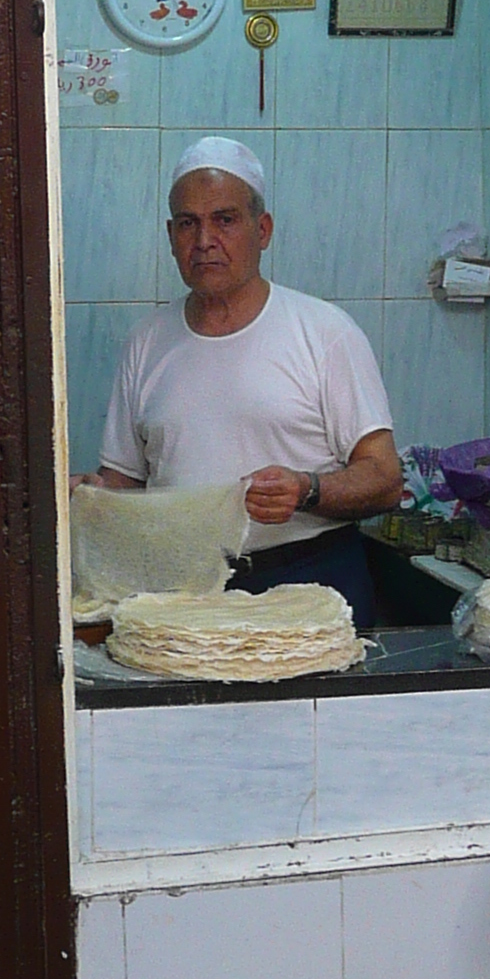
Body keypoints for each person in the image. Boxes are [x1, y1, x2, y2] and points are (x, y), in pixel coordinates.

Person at [86, 137, 402, 629]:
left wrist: (307, 488)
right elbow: (127, 483)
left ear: (263, 229)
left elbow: (385, 480)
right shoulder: (147, 342)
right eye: (188, 223)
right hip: (183, 589)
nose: (204, 240)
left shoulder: (325, 333)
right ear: (171, 236)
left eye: (225, 220)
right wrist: (93, 495)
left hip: (310, 580)